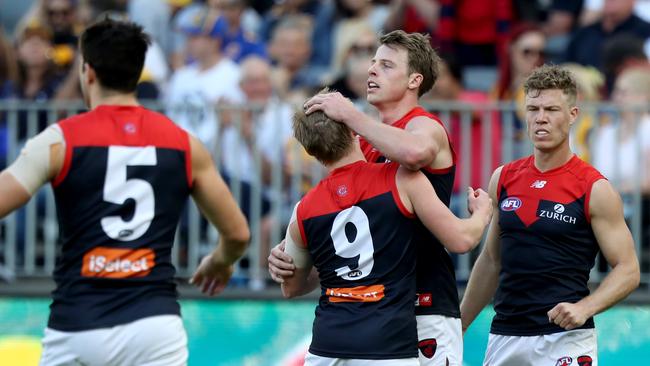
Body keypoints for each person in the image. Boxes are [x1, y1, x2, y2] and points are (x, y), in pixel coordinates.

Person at [0, 19, 250, 365]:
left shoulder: (59, 140)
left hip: (78, 323)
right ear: (138, 74)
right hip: (154, 326)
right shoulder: (184, 144)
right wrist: (219, 262)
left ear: (87, 72)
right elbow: (237, 233)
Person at [271, 30, 464, 365]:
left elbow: (416, 152)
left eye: (386, 65)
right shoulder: (364, 146)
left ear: (414, 80)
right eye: (373, 62)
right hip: (376, 315)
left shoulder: (423, 125)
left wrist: (351, 116)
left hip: (425, 305)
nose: (372, 70)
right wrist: (299, 259)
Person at [282, 100, 492, 365]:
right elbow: (462, 239)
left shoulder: (303, 209)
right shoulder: (400, 179)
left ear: (311, 152)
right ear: (353, 131)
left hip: (326, 347)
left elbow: (290, 287)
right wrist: (482, 214)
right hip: (387, 345)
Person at [461, 64, 640, 365]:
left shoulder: (594, 187)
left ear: (572, 115)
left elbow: (629, 269)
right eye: (533, 108)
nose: (541, 118)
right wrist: (459, 324)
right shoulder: (503, 177)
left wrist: (585, 307)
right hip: (505, 333)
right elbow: (491, 260)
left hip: (565, 339)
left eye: (552, 109)